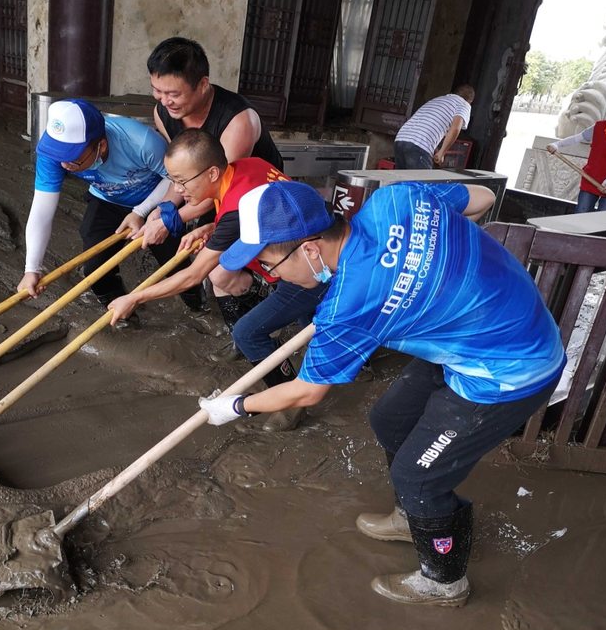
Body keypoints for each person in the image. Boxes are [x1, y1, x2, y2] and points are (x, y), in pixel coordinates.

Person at [198, 180, 566, 607]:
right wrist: (430, 266)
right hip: (490, 324)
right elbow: (482, 198)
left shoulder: (348, 307)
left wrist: (236, 406)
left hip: (510, 369)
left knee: (419, 476)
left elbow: (306, 392)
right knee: (389, 419)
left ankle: (444, 583)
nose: (271, 276)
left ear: (310, 250)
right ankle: (414, 516)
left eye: (269, 265)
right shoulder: (398, 198)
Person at [107, 129, 328, 431]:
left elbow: (193, 275)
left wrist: (134, 298)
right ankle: (349, 362)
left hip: (307, 268)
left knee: (250, 333)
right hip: (310, 252)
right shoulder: (249, 167)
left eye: (183, 181)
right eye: (173, 180)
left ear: (211, 172)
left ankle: (289, 396)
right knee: (310, 321)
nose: (178, 190)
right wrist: (213, 227)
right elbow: (259, 214)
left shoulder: (236, 205)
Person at [17, 99, 205, 322]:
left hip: (158, 200)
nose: (64, 165)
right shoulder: (54, 155)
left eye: (72, 158)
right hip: (107, 198)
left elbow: (175, 180)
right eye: (60, 155)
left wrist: (141, 211)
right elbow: (41, 210)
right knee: (95, 268)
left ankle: (198, 309)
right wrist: (31, 268)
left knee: (176, 261)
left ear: (101, 146)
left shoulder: (140, 141)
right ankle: (121, 315)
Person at [132, 37, 284, 251]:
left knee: (217, 267)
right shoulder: (162, 113)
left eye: (173, 94)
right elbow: (183, 172)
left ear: (203, 84)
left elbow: (222, 185)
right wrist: (165, 207)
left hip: (258, 198)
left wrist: (170, 220)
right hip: (207, 190)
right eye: (157, 91)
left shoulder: (238, 121)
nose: (165, 101)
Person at [547, 93, 606, 213]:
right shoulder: (600, 127)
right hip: (591, 178)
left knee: (601, 221)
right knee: (581, 214)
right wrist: (557, 145)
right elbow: (577, 138)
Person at [393, 85, 474, 170]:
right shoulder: (463, 104)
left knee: (402, 181)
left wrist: (436, 151)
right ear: (470, 101)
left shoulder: (438, 99)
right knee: (423, 182)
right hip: (419, 144)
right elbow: (455, 129)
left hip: (400, 139)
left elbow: (427, 126)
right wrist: (442, 153)